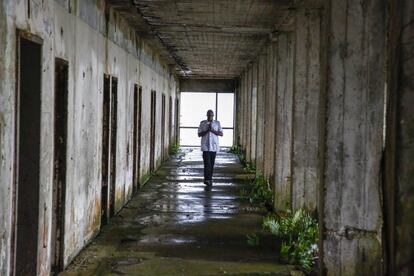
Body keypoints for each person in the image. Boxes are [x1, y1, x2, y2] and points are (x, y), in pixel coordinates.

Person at [198, 109, 223, 186]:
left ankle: (210, 178)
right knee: (207, 163)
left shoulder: (217, 123)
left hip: (214, 147)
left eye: (211, 115)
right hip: (205, 147)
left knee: (211, 164)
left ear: (213, 116)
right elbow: (199, 134)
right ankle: (207, 179)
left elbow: (221, 133)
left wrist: (212, 130)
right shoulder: (202, 124)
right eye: (208, 115)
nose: (210, 116)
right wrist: (207, 131)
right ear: (207, 116)